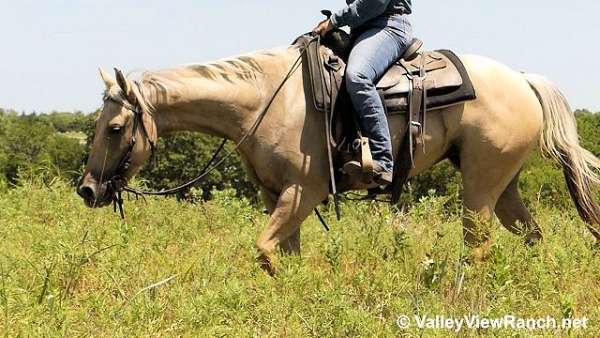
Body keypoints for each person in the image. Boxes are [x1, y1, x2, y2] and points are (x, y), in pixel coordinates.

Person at [313, 0, 413, 186]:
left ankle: (383, 160)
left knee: (357, 76)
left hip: (387, 26)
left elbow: (375, 3)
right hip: (361, 31)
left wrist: (334, 20)